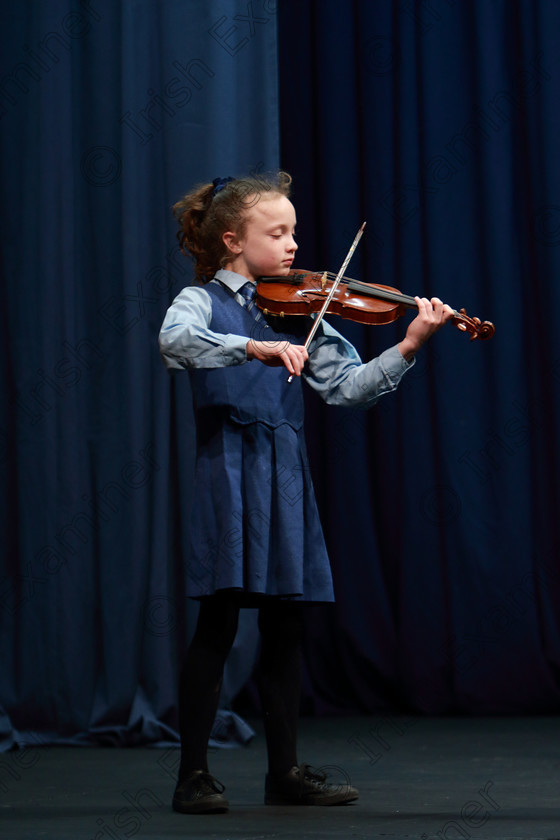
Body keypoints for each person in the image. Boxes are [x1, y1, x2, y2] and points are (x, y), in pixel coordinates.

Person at [158, 171, 453, 814]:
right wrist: (252, 346)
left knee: (286, 627)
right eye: (278, 232)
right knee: (218, 623)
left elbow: (346, 387)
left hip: (283, 471)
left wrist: (408, 343)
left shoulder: (303, 307)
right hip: (230, 469)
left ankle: (284, 773)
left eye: (294, 231)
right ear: (233, 240)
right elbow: (173, 343)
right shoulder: (201, 300)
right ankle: (194, 775)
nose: (294, 245)